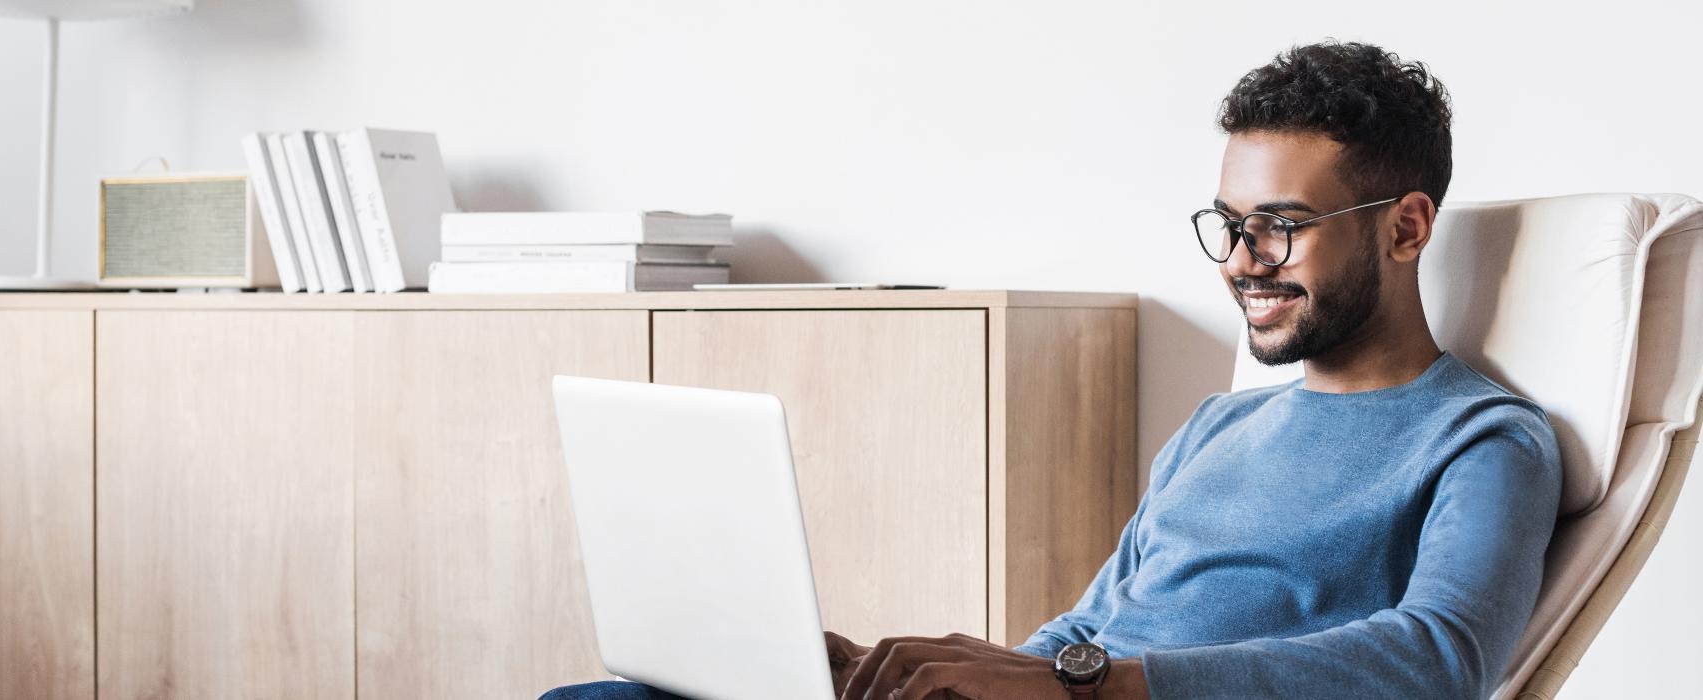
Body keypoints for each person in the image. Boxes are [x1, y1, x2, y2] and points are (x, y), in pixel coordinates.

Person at [543, 39, 1561, 700]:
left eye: (1282, 228)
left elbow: (1438, 659)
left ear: (1406, 227)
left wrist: (1086, 684)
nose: (1241, 261)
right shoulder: (1219, 426)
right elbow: (1090, 625)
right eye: (1230, 224)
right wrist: (930, 672)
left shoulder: (1483, 441)